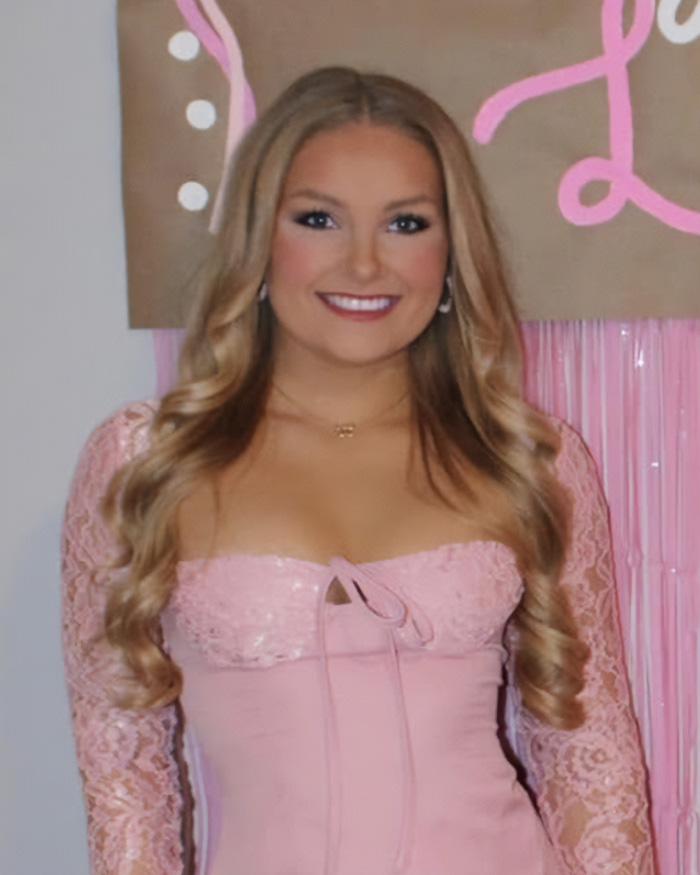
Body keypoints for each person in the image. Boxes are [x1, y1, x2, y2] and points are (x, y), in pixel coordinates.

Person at [61, 67, 655, 875]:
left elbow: (589, 755)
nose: (366, 263)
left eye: (406, 223)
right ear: (258, 241)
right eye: (319, 218)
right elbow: (125, 778)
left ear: (451, 253)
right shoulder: (145, 461)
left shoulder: (525, 457)